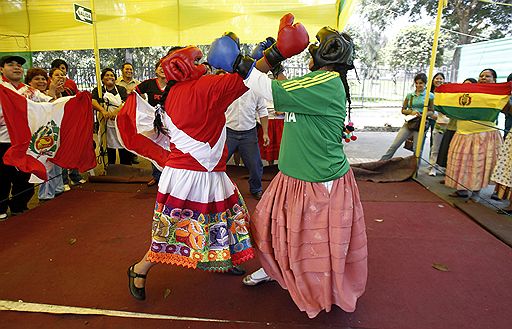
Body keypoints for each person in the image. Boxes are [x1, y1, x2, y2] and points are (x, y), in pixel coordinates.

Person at [208, 14, 367, 318]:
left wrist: (239, 61)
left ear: (326, 54)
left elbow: (271, 92)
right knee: (268, 228)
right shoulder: (317, 81)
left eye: (313, 49)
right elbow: (280, 90)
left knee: (312, 244)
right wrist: (274, 59)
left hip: (319, 181)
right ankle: (276, 270)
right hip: (293, 177)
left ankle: (320, 291)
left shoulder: (326, 82)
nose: (309, 52)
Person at [120, 46, 256, 301]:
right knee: (174, 230)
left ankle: (220, 259)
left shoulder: (174, 92)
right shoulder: (202, 88)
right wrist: (273, 53)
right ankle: (139, 269)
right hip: (190, 175)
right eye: (197, 60)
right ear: (183, 66)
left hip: (205, 172)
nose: (202, 63)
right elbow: (245, 79)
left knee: (216, 222)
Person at [0, 55, 57, 220]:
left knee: (24, 177)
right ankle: (1, 207)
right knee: (3, 177)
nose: (17, 67)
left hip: (26, 141)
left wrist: (55, 94)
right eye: (11, 65)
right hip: (4, 141)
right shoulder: (1, 88)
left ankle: (19, 205)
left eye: (19, 65)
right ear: (2, 69)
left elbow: (49, 105)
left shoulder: (30, 91)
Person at [446, 69, 502, 198]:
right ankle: (462, 189)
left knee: (478, 165)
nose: (483, 78)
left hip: (483, 135)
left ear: (494, 80)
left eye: (487, 76)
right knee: (462, 163)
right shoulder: (471, 92)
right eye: (481, 76)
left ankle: (476, 193)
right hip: (463, 133)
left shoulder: (498, 96)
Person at [24, 68, 66, 200]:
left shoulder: (44, 93)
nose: (41, 81)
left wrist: (55, 93)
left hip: (51, 133)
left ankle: (57, 188)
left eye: (43, 78)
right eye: (37, 79)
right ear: (29, 81)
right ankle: (45, 195)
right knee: (44, 163)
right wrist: (53, 92)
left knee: (55, 162)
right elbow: (49, 107)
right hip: (36, 135)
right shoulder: (28, 93)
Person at [225, 88, 270, 200]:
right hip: (228, 132)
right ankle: (215, 189)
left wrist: (265, 133)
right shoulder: (227, 88)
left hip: (249, 133)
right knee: (218, 163)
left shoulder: (255, 89)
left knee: (255, 165)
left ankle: (256, 189)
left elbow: (263, 110)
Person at [380, 73, 434, 160]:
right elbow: (403, 110)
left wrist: (423, 114)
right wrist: (411, 112)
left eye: (420, 83)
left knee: (417, 150)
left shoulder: (430, 96)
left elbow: (431, 111)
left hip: (421, 124)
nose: (418, 85)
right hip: (409, 122)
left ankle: (414, 171)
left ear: (425, 84)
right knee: (394, 145)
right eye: (416, 83)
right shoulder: (410, 95)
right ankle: (381, 163)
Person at [135, 60, 168, 186]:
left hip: (171, 121)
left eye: (165, 66)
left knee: (169, 149)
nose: (162, 69)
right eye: (160, 66)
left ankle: (168, 177)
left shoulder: (174, 84)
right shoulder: (148, 84)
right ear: (155, 70)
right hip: (153, 122)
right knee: (154, 148)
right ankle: (156, 176)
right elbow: (134, 93)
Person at [436, 78, 476, 178]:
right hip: (451, 127)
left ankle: (456, 178)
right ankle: (448, 176)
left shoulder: (475, 99)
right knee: (448, 153)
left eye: (469, 85)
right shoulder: (457, 96)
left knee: (459, 157)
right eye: (464, 84)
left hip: (463, 130)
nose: (466, 86)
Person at [91, 68, 130, 165]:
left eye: (112, 75)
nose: (110, 77)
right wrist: (103, 111)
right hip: (106, 125)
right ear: (102, 78)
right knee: (108, 148)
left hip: (120, 123)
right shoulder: (98, 90)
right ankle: (109, 169)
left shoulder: (121, 89)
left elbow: (126, 103)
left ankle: (125, 169)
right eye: (107, 75)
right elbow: (93, 101)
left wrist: (116, 112)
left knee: (123, 147)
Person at [428, 72, 448, 176]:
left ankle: (441, 166)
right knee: (434, 145)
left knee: (445, 147)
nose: (439, 80)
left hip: (448, 124)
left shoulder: (447, 94)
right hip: (437, 122)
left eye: (441, 79)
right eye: (437, 78)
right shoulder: (430, 94)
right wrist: (433, 115)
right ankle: (432, 166)